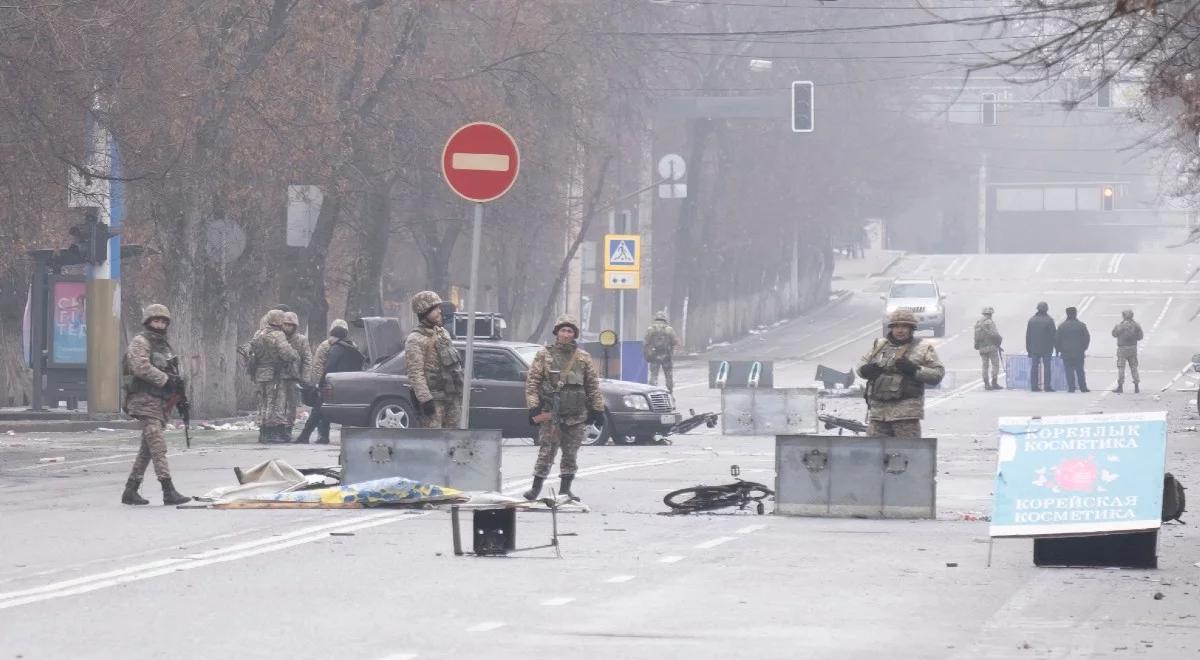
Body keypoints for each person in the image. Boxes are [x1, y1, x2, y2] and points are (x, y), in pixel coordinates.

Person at [523, 314, 606, 501]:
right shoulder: (544, 354)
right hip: (551, 414)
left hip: (576, 415)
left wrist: (597, 409)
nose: (566, 334)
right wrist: (534, 408)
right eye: (563, 330)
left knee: (570, 454)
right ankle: (535, 489)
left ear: (574, 334)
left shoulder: (583, 358)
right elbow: (532, 383)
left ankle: (565, 490)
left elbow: (592, 385)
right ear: (557, 332)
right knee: (546, 452)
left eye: (570, 331)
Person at [120, 304, 190, 506]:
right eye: (155, 321)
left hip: (159, 402)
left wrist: (178, 390)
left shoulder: (164, 346)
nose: (159, 324)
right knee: (158, 445)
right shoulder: (140, 342)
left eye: (162, 321)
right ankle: (168, 490)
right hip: (143, 399)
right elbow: (140, 367)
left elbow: (173, 371)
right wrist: (166, 379)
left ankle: (130, 490)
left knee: (147, 449)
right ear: (148, 322)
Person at [855, 309, 945, 438]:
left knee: (907, 453)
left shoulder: (923, 348)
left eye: (904, 326)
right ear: (891, 328)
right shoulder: (879, 346)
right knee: (875, 454)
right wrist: (866, 370)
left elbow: (937, 374)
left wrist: (914, 370)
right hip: (878, 415)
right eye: (896, 326)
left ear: (911, 328)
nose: (900, 330)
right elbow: (860, 367)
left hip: (906, 415)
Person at [297, 320, 365, 444]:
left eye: (332, 336)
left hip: (332, 384)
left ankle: (305, 436)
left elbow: (327, 368)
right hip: (349, 385)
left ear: (336, 336)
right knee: (346, 412)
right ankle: (345, 438)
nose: (330, 339)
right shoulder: (353, 348)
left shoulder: (335, 349)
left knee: (318, 411)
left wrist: (320, 384)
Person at [405, 291, 464, 428]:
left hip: (451, 398)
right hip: (434, 401)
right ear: (425, 312)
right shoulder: (415, 339)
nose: (440, 311)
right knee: (434, 442)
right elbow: (415, 373)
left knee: (453, 441)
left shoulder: (443, 333)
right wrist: (425, 400)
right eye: (436, 308)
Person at [253, 309, 300, 443]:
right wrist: (295, 354)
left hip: (260, 373)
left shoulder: (258, 333)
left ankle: (263, 432)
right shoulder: (278, 335)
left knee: (262, 403)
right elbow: (287, 354)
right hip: (274, 373)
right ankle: (272, 433)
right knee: (274, 403)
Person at [1056, 306, 1091, 393]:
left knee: (1069, 371)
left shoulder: (1062, 326)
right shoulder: (1081, 325)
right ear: (1075, 313)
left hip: (1066, 352)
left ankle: (1071, 387)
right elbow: (1087, 338)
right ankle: (1083, 387)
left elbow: (1057, 339)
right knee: (1080, 370)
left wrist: (1059, 350)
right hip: (1079, 351)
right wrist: (1084, 347)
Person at [643, 312, 680, 392]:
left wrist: (647, 354)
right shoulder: (669, 329)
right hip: (666, 356)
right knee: (668, 376)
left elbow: (645, 343)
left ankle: (652, 393)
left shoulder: (650, 329)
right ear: (664, 319)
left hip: (654, 356)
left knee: (653, 375)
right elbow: (675, 342)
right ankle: (670, 393)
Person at [1025, 301, 1057, 392]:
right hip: (1047, 348)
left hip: (1034, 348)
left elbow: (1028, 336)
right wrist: (1056, 347)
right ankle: (1047, 386)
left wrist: (1028, 349)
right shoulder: (1049, 320)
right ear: (1046, 309)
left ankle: (1034, 386)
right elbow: (1053, 335)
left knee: (1034, 367)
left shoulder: (1032, 320)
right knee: (1047, 367)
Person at [1112, 309, 1144, 393]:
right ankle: (1136, 386)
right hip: (1133, 348)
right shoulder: (1136, 325)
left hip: (1122, 348)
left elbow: (1114, 334)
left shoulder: (1120, 325)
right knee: (1134, 367)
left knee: (1121, 367)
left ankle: (1120, 386)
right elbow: (1140, 337)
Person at [974, 306, 1002, 390]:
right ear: (991, 314)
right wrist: (999, 341)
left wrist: (977, 345)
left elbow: (976, 337)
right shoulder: (990, 322)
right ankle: (994, 382)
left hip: (982, 348)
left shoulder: (978, 322)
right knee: (995, 364)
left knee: (985, 366)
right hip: (992, 347)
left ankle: (986, 384)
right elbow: (995, 334)